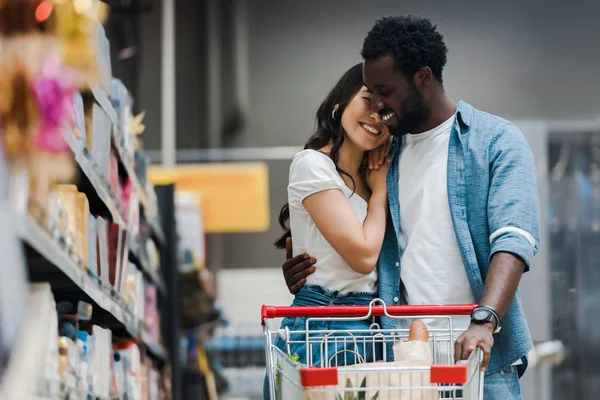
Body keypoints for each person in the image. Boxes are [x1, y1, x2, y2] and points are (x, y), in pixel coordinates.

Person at [280, 15, 540, 399]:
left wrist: (485, 319)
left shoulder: (494, 141)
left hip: (478, 358)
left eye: (384, 91)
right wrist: (308, 272)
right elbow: (347, 225)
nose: (377, 107)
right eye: (368, 93)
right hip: (396, 362)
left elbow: (514, 239)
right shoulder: (383, 154)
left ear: (422, 77)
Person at [264, 63, 391, 399]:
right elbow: (363, 257)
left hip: (370, 325)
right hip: (325, 324)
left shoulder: (376, 174)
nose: (376, 115)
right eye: (367, 101)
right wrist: (379, 195)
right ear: (339, 104)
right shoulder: (312, 165)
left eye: (386, 110)